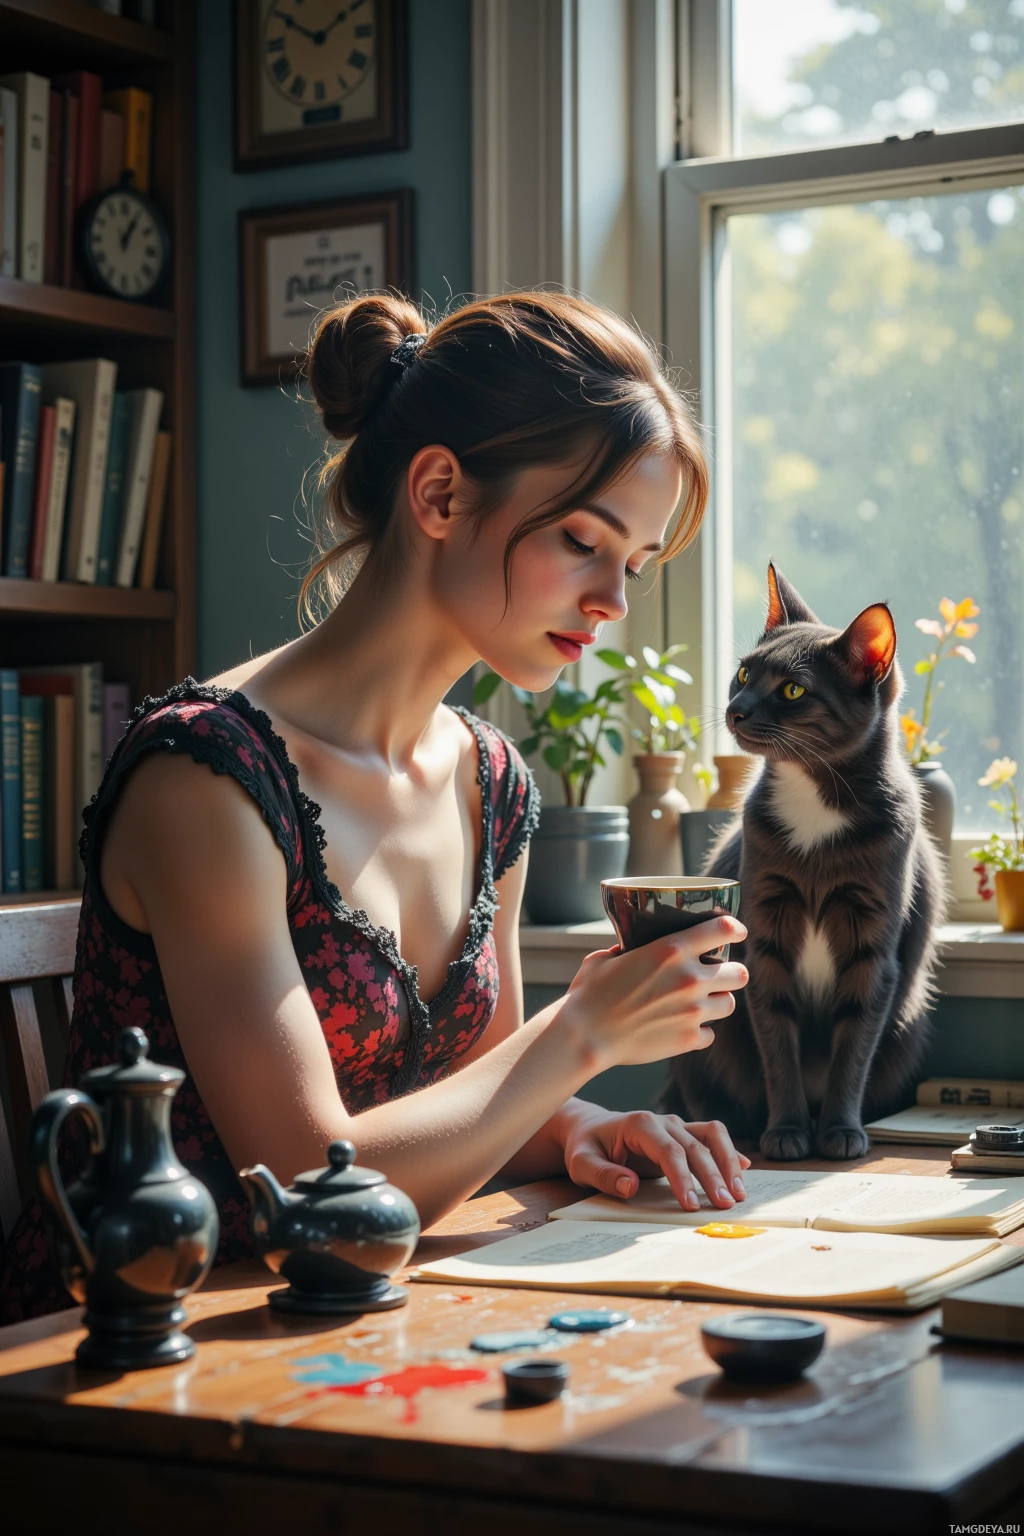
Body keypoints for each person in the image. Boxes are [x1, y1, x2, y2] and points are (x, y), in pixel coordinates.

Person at [0, 292, 749, 1322]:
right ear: (438, 493)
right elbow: (312, 1195)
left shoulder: (491, 787)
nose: (613, 602)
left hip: (349, 1324)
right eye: (583, 538)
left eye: (635, 563)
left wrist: (576, 1125)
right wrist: (579, 1036)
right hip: (131, 1357)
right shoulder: (204, 776)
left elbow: (480, 1100)